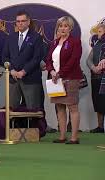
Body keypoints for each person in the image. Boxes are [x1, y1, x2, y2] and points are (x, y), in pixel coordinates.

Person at [46, 16, 83, 144]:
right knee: (60, 107)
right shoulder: (55, 42)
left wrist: (60, 73)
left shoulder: (75, 41)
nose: (63, 28)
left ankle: (74, 138)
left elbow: (74, 60)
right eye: (61, 26)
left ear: (70, 28)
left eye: (66, 26)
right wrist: (51, 71)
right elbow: (48, 60)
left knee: (72, 107)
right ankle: (62, 136)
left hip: (70, 78)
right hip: (56, 79)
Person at [2, 10, 43, 109]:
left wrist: (24, 71)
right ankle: (14, 125)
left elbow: (37, 58)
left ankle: (34, 125)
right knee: (11, 110)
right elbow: (5, 57)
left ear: (28, 22)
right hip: (13, 79)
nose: (20, 23)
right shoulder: (11, 37)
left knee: (33, 110)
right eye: (18, 21)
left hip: (31, 79)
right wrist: (12, 70)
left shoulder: (36, 37)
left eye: (23, 21)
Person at [86, 23, 105, 133]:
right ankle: (100, 126)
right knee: (98, 101)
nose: (97, 33)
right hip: (96, 77)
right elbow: (89, 59)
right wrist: (94, 68)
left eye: (99, 31)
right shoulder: (97, 43)